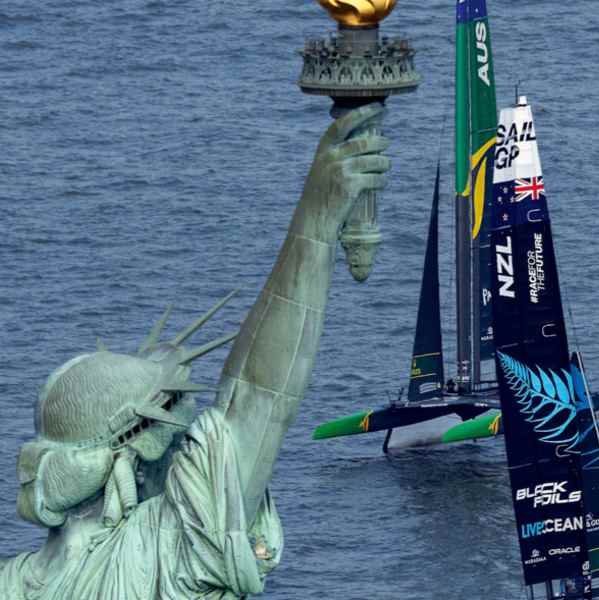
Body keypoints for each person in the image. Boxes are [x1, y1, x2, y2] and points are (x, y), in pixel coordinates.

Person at [0, 104, 391, 599]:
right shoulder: (159, 554)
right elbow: (258, 397)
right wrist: (315, 224)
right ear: (128, 464)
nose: (184, 443)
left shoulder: (14, 584)